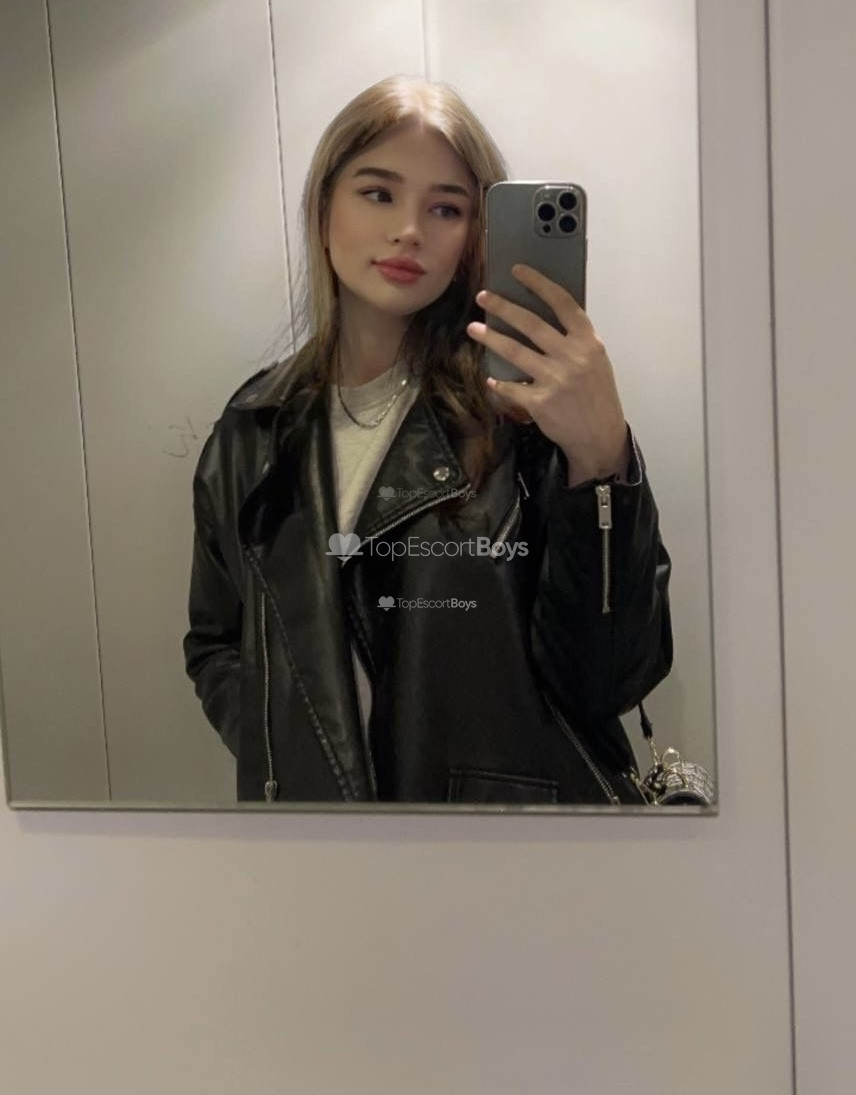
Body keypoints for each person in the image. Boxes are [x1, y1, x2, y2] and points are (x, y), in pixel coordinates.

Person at [182, 75, 672, 805]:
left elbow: (609, 681)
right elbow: (217, 643)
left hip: (516, 845)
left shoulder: (522, 413)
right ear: (323, 210)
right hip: (324, 848)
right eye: (378, 193)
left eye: (446, 207)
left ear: (477, 234)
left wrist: (601, 460)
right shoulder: (254, 428)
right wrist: (292, 753)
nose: (409, 229)